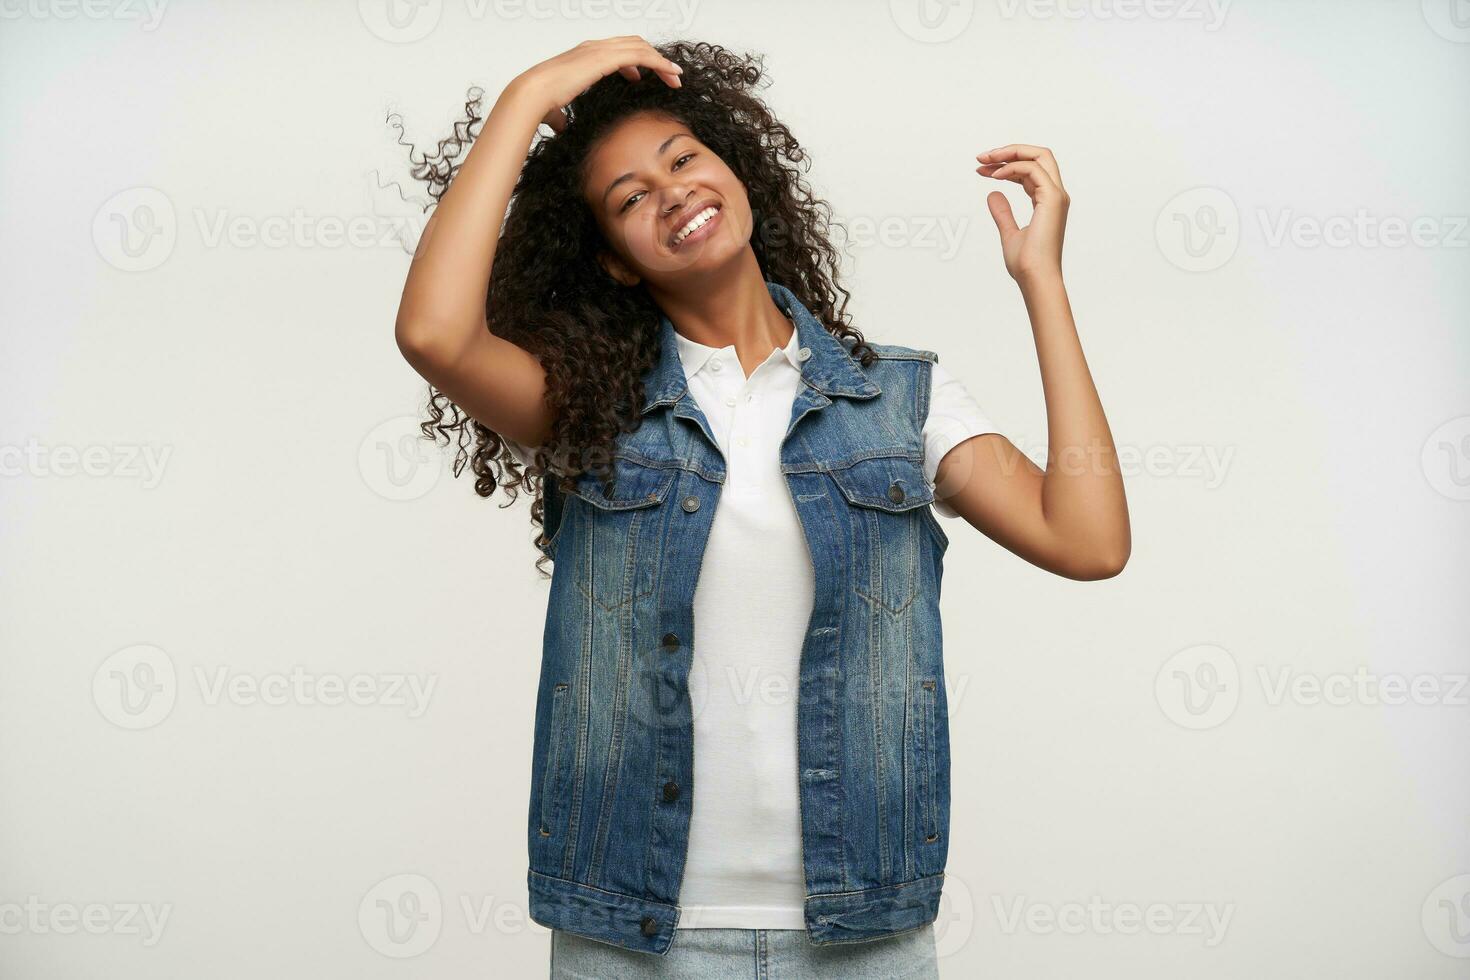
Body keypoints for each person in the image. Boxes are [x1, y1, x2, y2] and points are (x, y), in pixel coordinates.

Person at [392, 35, 1129, 979]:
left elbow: (1090, 539)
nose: (672, 193)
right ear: (615, 259)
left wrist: (1044, 285)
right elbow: (434, 333)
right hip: (635, 935)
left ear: (733, 172)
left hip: (862, 933)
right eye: (629, 198)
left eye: (684, 159)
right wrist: (530, 96)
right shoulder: (590, 411)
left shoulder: (895, 401)